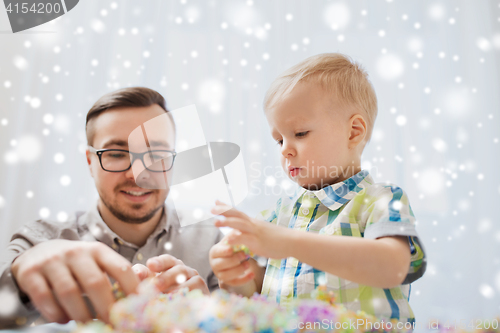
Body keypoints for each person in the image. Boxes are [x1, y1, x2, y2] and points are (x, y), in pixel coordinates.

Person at [209, 53, 426, 323]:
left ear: (354, 132)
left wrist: (287, 242)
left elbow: (393, 266)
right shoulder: (282, 213)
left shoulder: (380, 200)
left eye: (300, 133)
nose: (286, 149)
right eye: (279, 140)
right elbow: (257, 297)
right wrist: (236, 275)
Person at [0, 87, 223, 329]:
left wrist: (209, 316)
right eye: (116, 154)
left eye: (157, 154)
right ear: (90, 162)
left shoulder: (211, 241)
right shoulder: (39, 240)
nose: (138, 175)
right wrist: (22, 273)